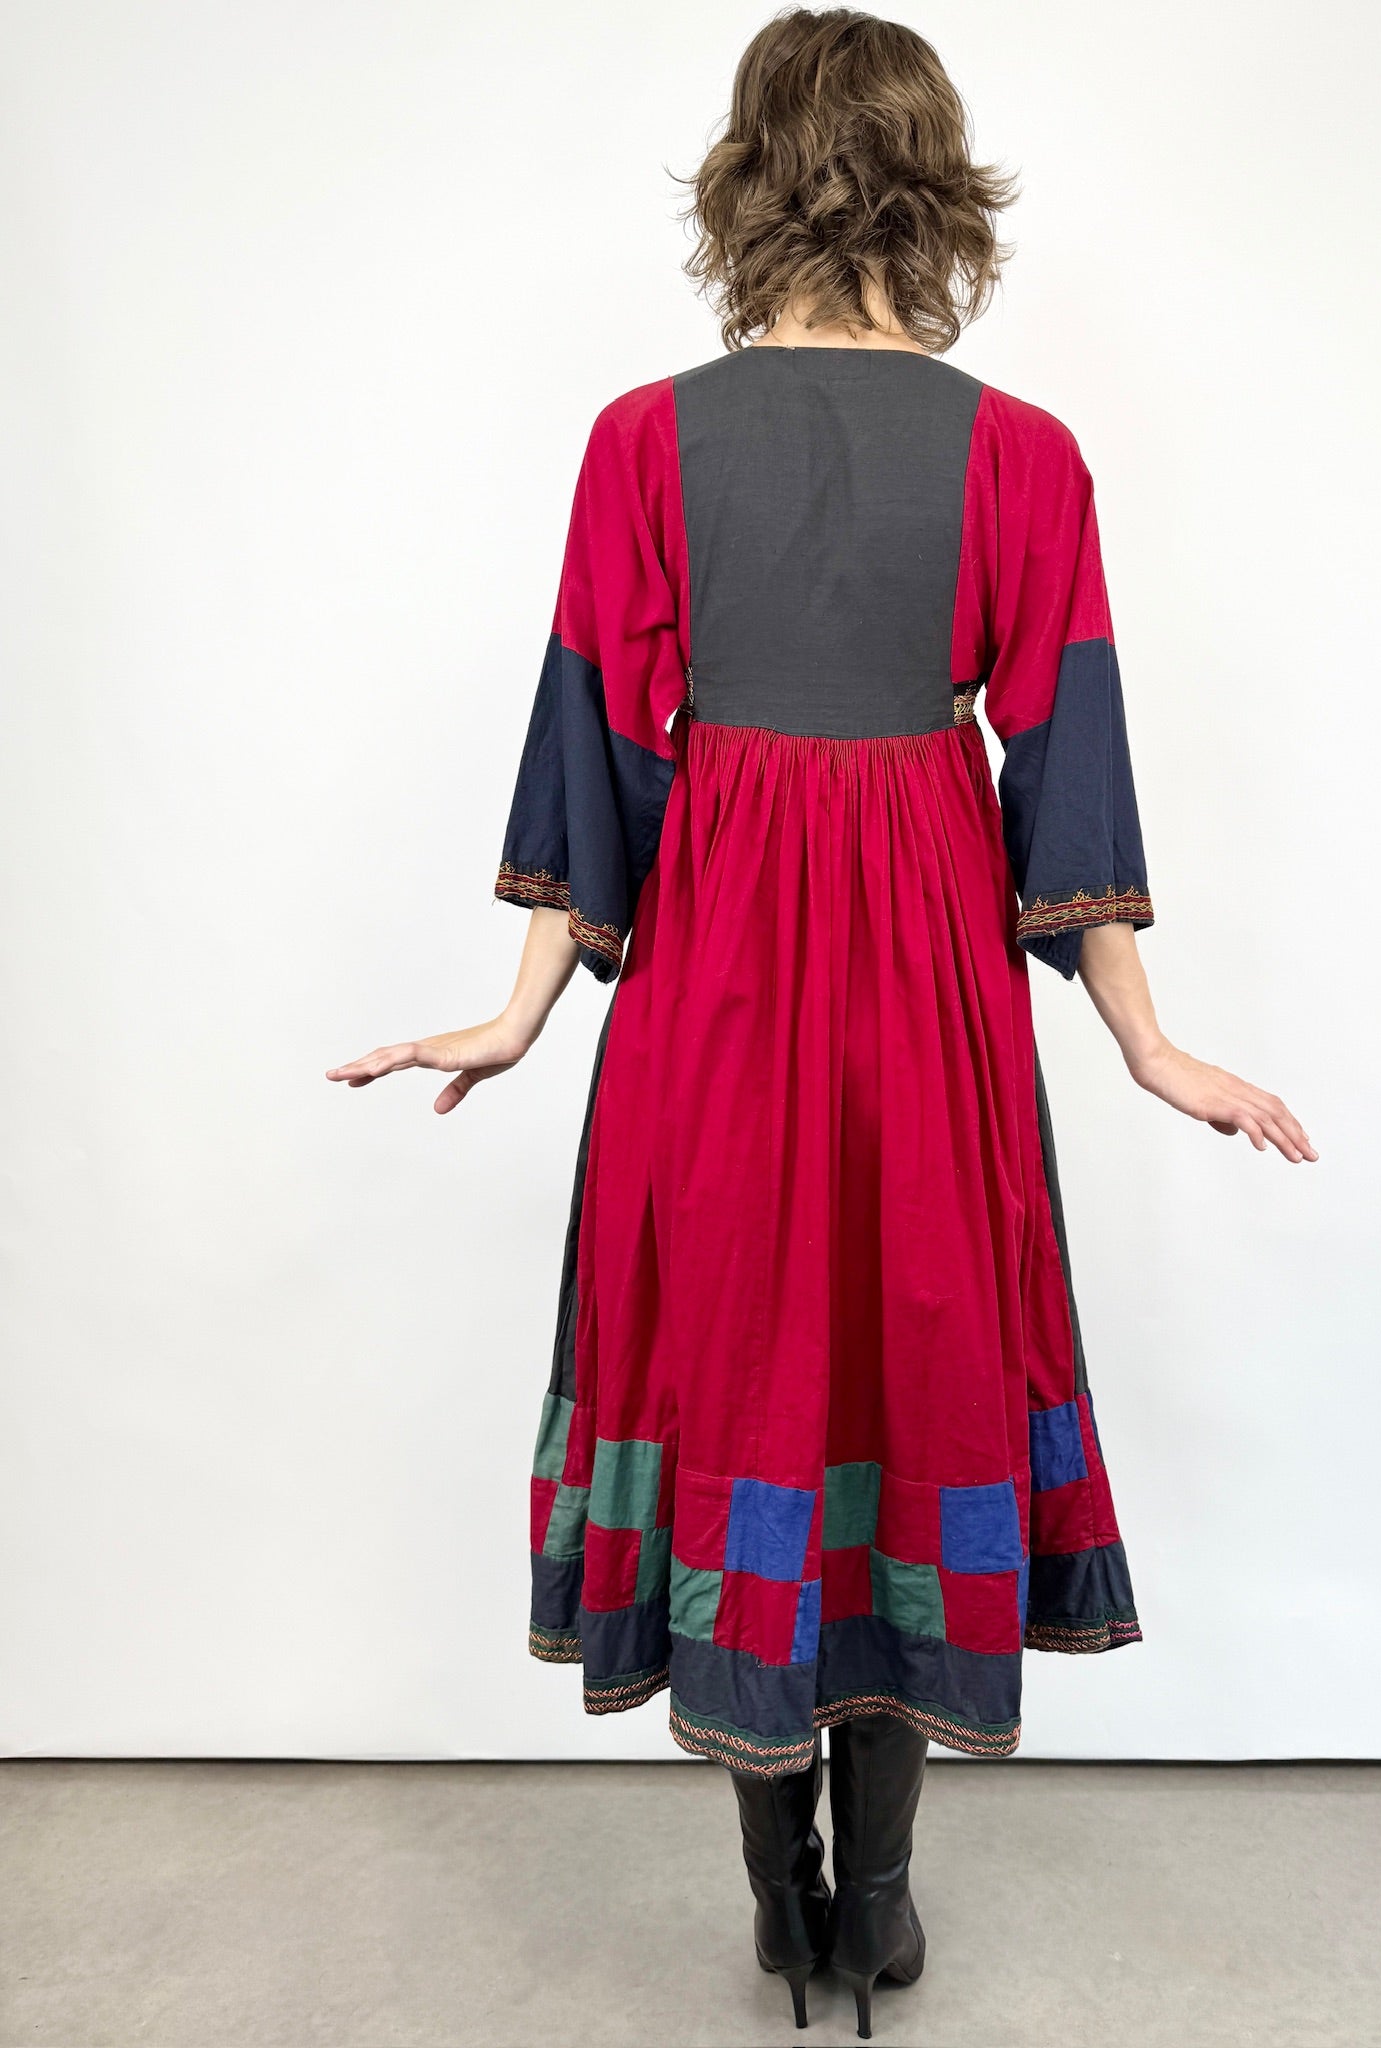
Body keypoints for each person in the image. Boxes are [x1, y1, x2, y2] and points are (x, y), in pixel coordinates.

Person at [328, 8, 1315, 2035]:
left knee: (742, 1374)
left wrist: (521, 1010)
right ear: (937, 191)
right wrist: (1147, 1040)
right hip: (930, 982)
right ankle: (875, 1900)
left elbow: (600, 748)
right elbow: (1066, 758)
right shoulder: (1023, 454)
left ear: (744, 186)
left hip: (715, 980)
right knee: (909, 1370)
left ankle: (781, 1898)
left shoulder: (641, 441)